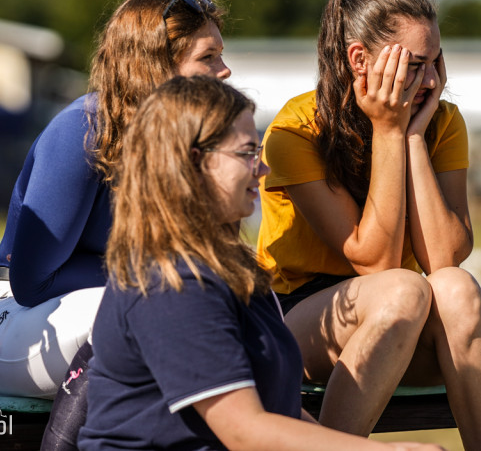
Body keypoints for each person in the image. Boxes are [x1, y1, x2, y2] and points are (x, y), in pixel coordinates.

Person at [79, 75, 444, 451]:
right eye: (247, 153)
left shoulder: (225, 270)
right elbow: (244, 431)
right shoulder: (173, 283)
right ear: (193, 162)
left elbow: (277, 411)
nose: (263, 168)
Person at [256, 0, 481, 450]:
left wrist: (413, 135)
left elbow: (444, 259)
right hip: (301, 323)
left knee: (456, 287)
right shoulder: (295, 131)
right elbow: (375, 263)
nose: (432, 80)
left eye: (436, 62)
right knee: (402, 289)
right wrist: (388, 131)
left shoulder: (442, 123)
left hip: (402, 316)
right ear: (359, 59)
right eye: (415, 64)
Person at [0, 0, 232, 401]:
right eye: (209, 56)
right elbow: (32, 282)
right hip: (12, 316)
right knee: (143, 315)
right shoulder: (82, 129)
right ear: (156, 65)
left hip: (127, 306)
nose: (225, 70)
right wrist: (165, 274)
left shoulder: (198, 145)